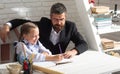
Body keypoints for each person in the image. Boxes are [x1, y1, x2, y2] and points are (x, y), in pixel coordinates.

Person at [0, 2, 88, 58]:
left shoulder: (70, 27)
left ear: (65, 17)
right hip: (41, 61)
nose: (59, 22)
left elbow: (83, 44)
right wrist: (7, 26)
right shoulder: (43, 24)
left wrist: (73, 51)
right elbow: (23, 21)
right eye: (55, 19)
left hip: (60, 61)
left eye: (61, 19)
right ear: (50, 17)